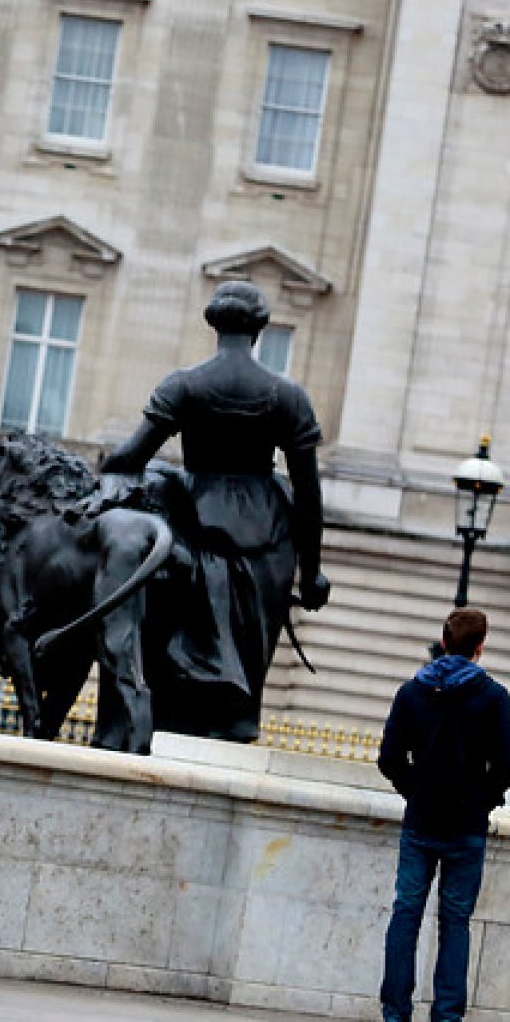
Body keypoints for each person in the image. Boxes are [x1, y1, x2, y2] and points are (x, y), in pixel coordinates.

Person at [88, 280, 330, 742]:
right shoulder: (288, 396)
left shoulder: (184, 385)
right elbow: (309, 496)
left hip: (192, 523)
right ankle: (238, 720)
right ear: (260, 329)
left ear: (214, 325)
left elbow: (131, 457)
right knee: (246, 682)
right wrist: (312, 572)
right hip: (267, 533)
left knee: (169, 647)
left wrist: (105, 477)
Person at [378, 607, 510, 1022]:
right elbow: (507, 764)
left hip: (421, 822)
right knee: (455, 923)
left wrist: (414, 789)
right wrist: (482, 799)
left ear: (445, 641)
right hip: (466, 827)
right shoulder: (494, 697)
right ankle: (447, 1015)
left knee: (406, 914)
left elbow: (389, 758)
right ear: (480, 647)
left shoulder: (413, 691)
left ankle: (395, 1012)